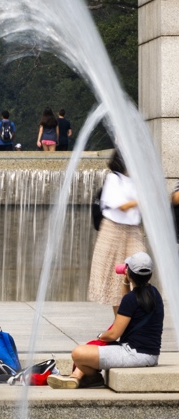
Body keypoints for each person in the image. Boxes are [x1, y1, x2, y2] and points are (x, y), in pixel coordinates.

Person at [50, 252, 163, 389]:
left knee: (78, 353)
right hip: (150, 354)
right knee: (89, 352)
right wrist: (126, 282)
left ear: (129, 273)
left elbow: (114, 334)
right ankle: (77, 377)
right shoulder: (155, 294)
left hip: (134, 354)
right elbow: (126, 309)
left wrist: (100, 336)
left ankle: (93, 377)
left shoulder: (131, 299)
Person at [89, 150, 145, 314]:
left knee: (140, 272)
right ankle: (120, 321)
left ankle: (134, 318)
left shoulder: (136, 181)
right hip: (114, 230)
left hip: (133, 230)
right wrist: (143, 199)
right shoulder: (114, 179)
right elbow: (121, 205)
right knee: (116, 279)